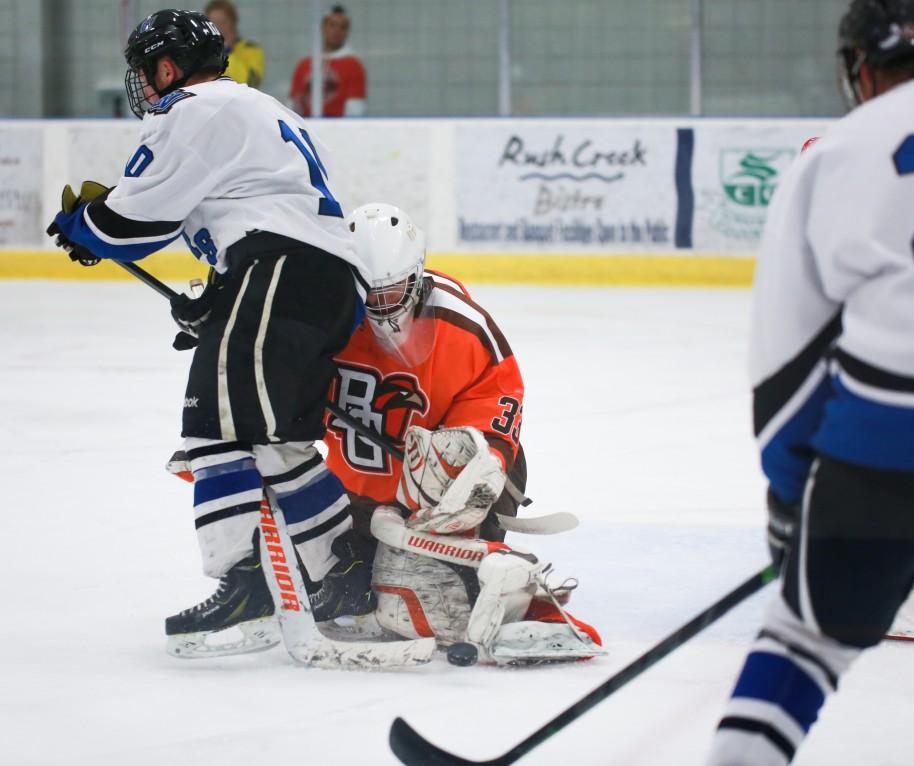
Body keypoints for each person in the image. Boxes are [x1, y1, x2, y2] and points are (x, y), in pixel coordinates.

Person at [705, 1, 914, 763]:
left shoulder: (832, 154)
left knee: (802, 641)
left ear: (859, 68)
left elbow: (785, 371)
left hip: (899, 445)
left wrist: (790, 506)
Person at [45, 9, 373, 657]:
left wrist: (84, 222)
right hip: (325, 283)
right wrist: (223, 297)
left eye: (145, 70)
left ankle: (243, 585)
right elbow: (243, 208)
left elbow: (134, 220)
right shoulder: (259, 108)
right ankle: (346, 576)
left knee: (212, 428)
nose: (143, 84)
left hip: (277, 271)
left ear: (167, 67)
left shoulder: (193, 107)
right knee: (275, 440)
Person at [323, 203, 602, 663]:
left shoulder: (460, 323)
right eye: (364, 293)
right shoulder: (322, 320)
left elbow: (497, 397)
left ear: (416, 277)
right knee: (337, 589)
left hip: (446, 494)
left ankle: (512, 588)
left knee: (452, 460)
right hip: (358, 494)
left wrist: (485, 467)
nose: (377, 307)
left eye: (390, 292)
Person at [289, 5, 367, 117]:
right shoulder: (304, 65)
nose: (337, 31)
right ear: (322, 27)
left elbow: (355, 110)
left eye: (343, 27)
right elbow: (293, 105)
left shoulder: (353, 66)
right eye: (332, 25)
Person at [204, 0, 265, 88]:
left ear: (233, 23)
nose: (218, 28)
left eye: (223, 22)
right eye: (213, 24)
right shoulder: (203, 52)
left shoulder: (251, 50)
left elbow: (250, 83)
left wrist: (226, 51)